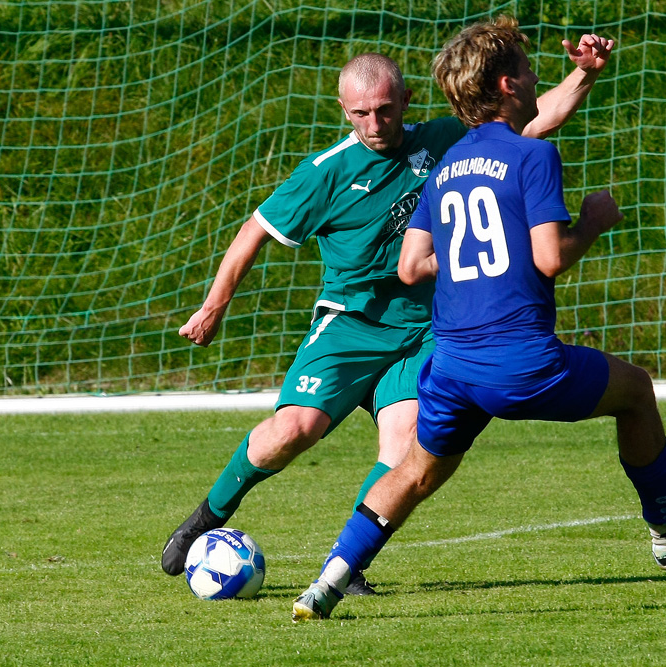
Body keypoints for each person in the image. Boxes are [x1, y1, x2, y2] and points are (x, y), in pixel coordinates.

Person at [291, 15, 666, 621]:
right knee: (637, 391)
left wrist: (468, 261)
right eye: (529, 69)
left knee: (417, 471)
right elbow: (549, 258)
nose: (536, 78)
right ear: (509, 86)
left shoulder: (447, 166)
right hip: (518, 361)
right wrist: (592, 221)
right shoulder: (534, 156)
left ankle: (325, 584)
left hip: (451, 364)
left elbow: (411, 266)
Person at [161, 34, 617, 595]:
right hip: (350, 325)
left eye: (383, 108)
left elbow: (535, 116)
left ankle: (345, 565)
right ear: (344, 111)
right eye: (360, 113)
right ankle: (207, 517)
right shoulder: (326, 172)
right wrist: (213, 306)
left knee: (403, 445)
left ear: (404, 99)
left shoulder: (445, 139)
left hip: (425, 328)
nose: (374, 123)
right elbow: (255, 230)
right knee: (293, 429)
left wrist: (586, 75)